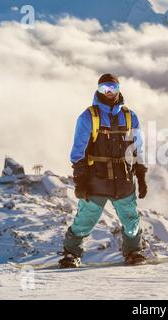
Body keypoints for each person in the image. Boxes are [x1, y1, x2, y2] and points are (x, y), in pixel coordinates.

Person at [59, 73, 148, 268]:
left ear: (119, 89)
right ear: (98, 91)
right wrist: (80, 181)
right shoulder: (88, 116)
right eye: (104, 89)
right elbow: (78, 152)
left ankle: (134, 252)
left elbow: (137, 148)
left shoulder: (129, 116)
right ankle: (70, 254)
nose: (109, 93)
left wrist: (141, 175)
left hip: (124, 179)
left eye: (112, 88)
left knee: (131, 220)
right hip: (96, 180)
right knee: (85, 221)